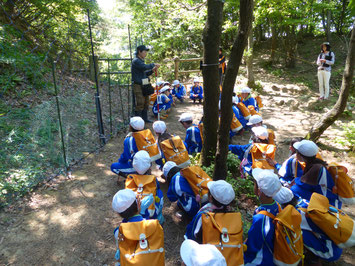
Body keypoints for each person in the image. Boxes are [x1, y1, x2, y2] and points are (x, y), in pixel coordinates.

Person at [244, 169, 294, 265]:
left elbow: (252, 247)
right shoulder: (277, 206)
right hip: (274, 251)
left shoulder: (261, 218)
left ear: (259, 191)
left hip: (262, 259)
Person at [289, 140, 341, 209]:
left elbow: (304, 184)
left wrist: (295, 180)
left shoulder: (315, 168)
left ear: (301, 155)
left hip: (327, 201)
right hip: (328, 197)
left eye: (297, 153)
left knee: (294, 189)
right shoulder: (316, 163)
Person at [126, 150, 164, 222]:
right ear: (149, 165)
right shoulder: (153, 179)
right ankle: (158, 217)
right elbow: (157, 189)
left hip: (132, 213)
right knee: (159, 193)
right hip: (150, 213)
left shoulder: (130, 178)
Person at [131, 45, 160, 122]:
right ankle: (138, 121)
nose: (146, 53)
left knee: (146, 101)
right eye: (144, 51)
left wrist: (152, 70)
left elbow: (144, 73)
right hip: (138, 85)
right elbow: (144, 67)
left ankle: (145, 119)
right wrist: (153, 64)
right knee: (140, 102)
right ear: (139, 52)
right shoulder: (136, 61)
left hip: (145, 84)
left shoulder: (141, 62)